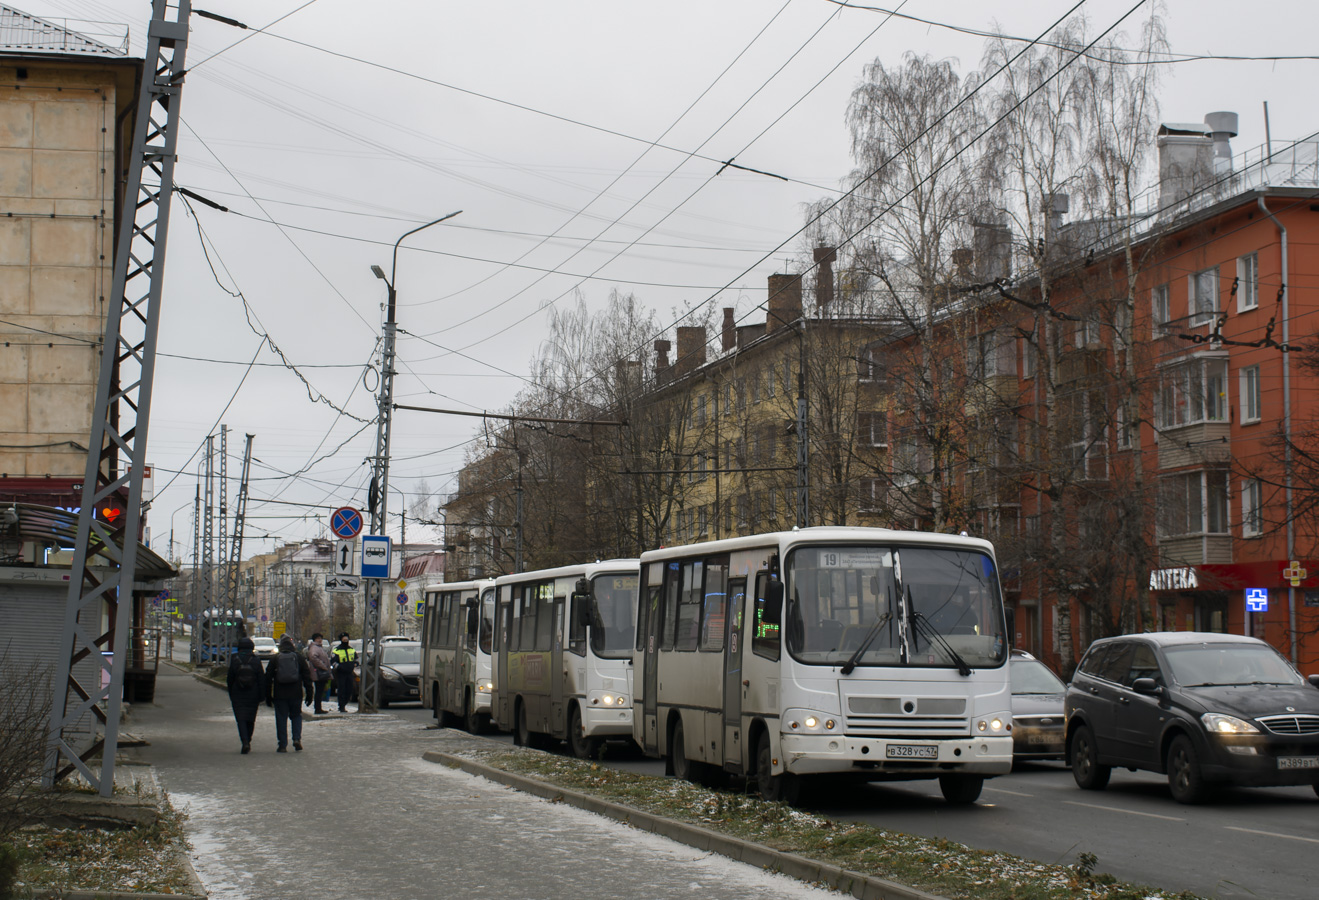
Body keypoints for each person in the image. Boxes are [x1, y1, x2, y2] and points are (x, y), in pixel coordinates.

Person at [265, 634, 313, 752]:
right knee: (296, 716)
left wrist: (268, 696)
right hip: (296, 693)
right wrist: (309, 693)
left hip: (280, 694)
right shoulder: (299, 658)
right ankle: (296, 739)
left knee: (281, 718)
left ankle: (282, 745)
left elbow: (267, 678)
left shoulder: (275, 659)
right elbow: (307, 676)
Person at [226, 637, 265, 754]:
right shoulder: (256, 660)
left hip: (238, 694)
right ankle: (249, 738)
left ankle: (244, 741)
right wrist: (262, 695)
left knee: (241, 719)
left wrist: (231, 693)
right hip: (253, 694)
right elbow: (261, 679)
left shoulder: (235, 659)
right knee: (250, 719)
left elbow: (230, 679)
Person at [331, 632, 357, 713]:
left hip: (350, 672)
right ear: (341, 640)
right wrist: (340, 667)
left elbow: (356, 659)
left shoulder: (351, 649)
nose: (346, 640)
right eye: (344, 639)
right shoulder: (336, 650)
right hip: (341, 673)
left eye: (347, 639)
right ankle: (341, 706)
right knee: (341, 689)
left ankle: (345, 702)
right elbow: (333, 662)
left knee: (350, 689)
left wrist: (355, 664)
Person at [306, 632, 332, 714]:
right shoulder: (315, 648)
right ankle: (317, 708)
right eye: (318, 638)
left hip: (320, 673)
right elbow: (313, 657)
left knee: (320, 691)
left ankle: (318, 708)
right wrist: (323, 666)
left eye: (321, 638)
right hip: (319, 673)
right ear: (314, 639)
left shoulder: (319, 647)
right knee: (319, 691)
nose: (320, 640)